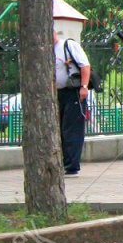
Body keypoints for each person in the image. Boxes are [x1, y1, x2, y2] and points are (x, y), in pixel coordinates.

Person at [53, 29, 91, 176]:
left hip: (73, 92)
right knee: (60, 128)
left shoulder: (68, 46)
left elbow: (85, 66)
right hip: (58, 93)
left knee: (71, 129)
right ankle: (63, 161)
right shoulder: (47, 50)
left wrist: (84, 86)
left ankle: (72, 166)